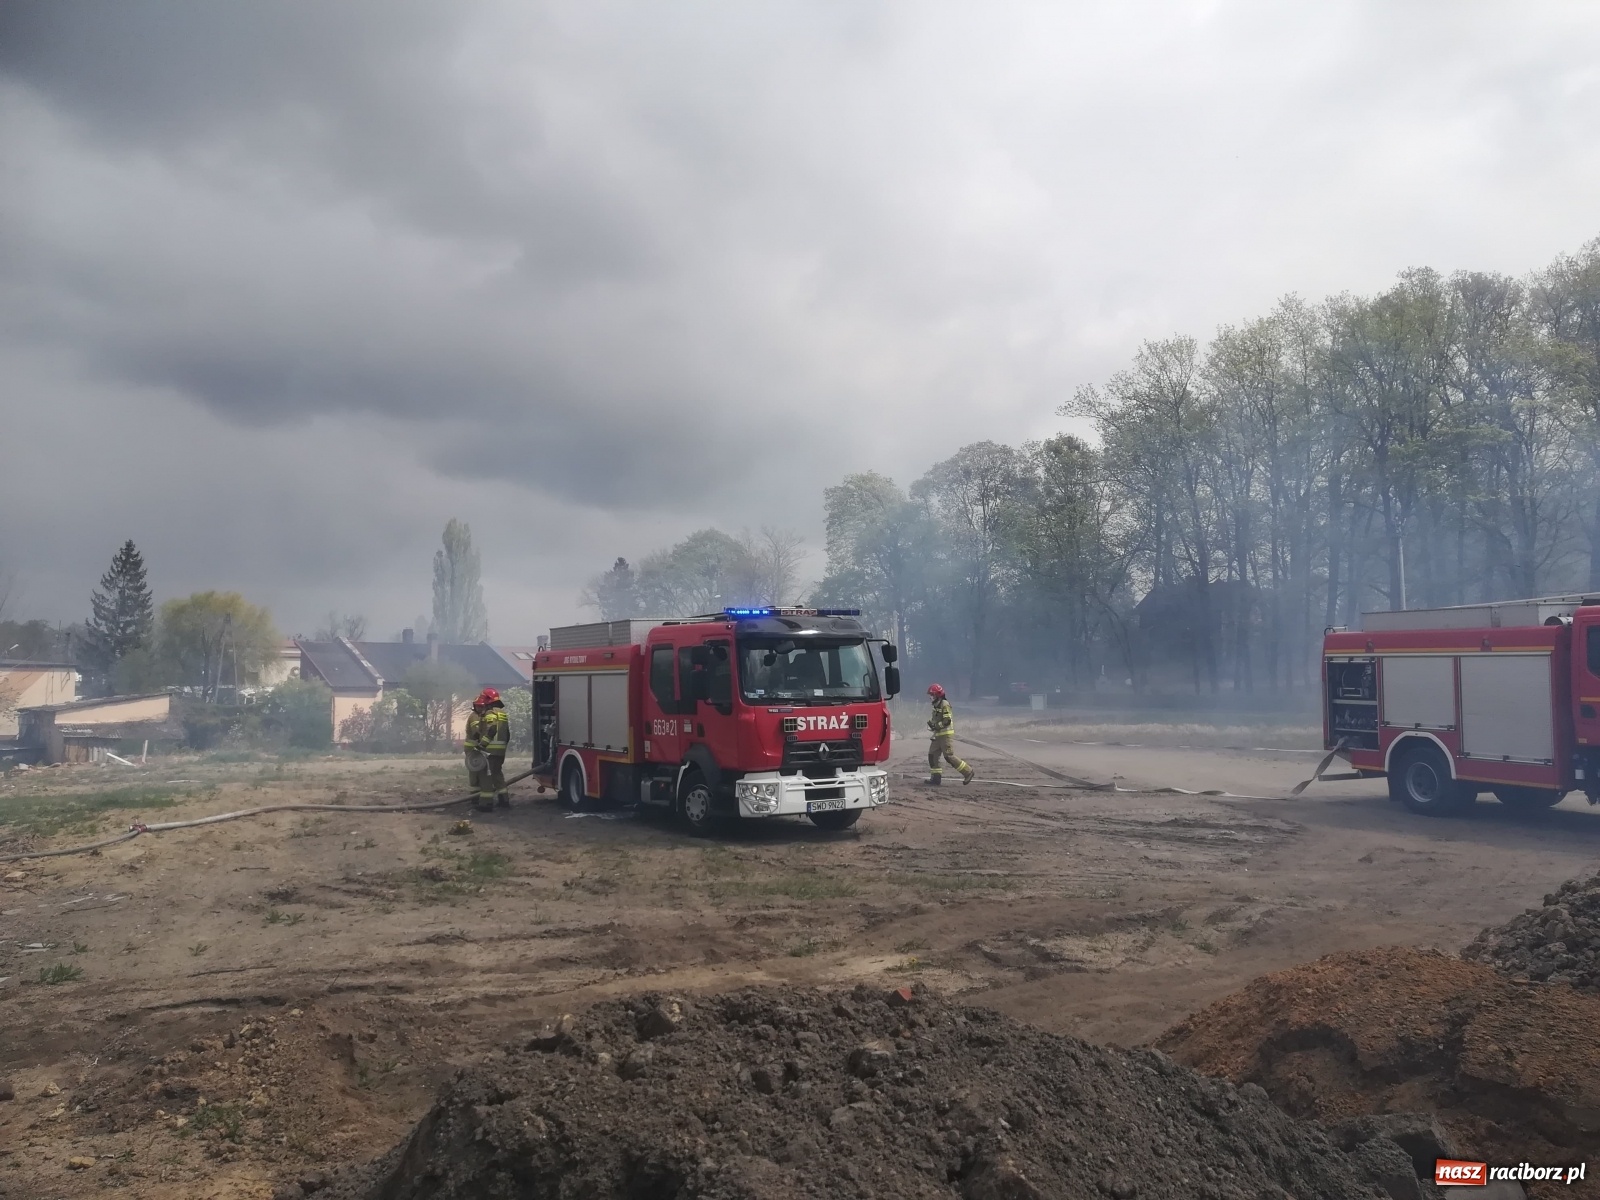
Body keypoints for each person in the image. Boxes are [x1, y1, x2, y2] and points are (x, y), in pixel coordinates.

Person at [925, 683, 973, 785]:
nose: (930, 697)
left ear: (938, 695)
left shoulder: (944, 704)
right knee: (932, 755)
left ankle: (968, 772)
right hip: (937, 736)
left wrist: (936, 726)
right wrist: (931, 724)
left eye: (932, 695)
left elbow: (947, 721)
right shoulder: (936, 705)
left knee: (949, 757)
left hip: (945, 736)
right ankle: (936, 779)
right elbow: (936, 718)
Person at [473, 688, 511, 809]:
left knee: (486, 776)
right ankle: (504, 800)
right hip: (500, 750)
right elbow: (508, 733)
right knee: (497, 774)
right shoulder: (502, 714)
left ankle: (486, 803)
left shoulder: (490, 713)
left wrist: (482, 744)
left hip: (490, 751)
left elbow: (492, 729)